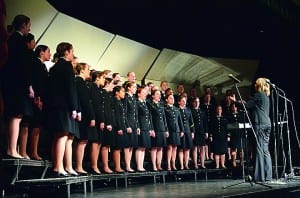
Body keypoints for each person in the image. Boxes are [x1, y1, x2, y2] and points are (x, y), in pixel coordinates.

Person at [47, 42, 80, 177]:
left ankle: (61, 166)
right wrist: (75, 108)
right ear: (66, 52)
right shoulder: (66, 66)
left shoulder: (54, 67)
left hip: (55, 106)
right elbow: (70, 89)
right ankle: (59, 167)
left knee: (58, 136)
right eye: (72, 51)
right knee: (63, 135)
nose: (73, 54)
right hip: (65, 106)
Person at [2, 14, 32, 159]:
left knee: (13, 116)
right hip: (17, 84)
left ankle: (11, 148)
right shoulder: (19, 41)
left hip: (10, 82)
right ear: (24, 25)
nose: (29, 28)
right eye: (28, 25)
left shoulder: (11, 39)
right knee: (16, 116)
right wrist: (29, 86)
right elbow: (22, 67)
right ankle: (12, 149)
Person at [245, 77, 272, 183]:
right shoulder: (266, 96)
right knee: (265, 150)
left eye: (256, 84)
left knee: (260, 150)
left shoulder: (258, 95)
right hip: (267, 124)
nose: (254, 86)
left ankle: (260, 177)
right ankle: (268, 176)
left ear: (258, 85)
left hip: (260, 124)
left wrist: (235, 101)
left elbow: (247, 105)